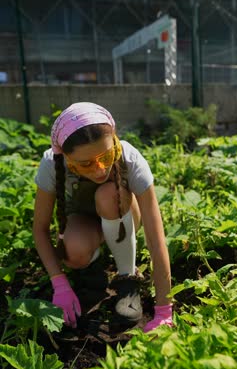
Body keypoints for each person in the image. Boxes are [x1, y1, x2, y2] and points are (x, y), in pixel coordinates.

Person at [33, 102, 173, 332]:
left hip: (123, 215)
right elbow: (39, 229)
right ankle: (92, 266)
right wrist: (59, 283)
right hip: (84, 221)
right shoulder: (52, 163)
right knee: (73, 252)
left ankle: (127, 278)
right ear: (66, 157)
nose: (99, 170)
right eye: (85, 164)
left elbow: (156, 239)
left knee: (111, 194)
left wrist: (164, 309)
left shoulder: (130, 158)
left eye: (105, 157)